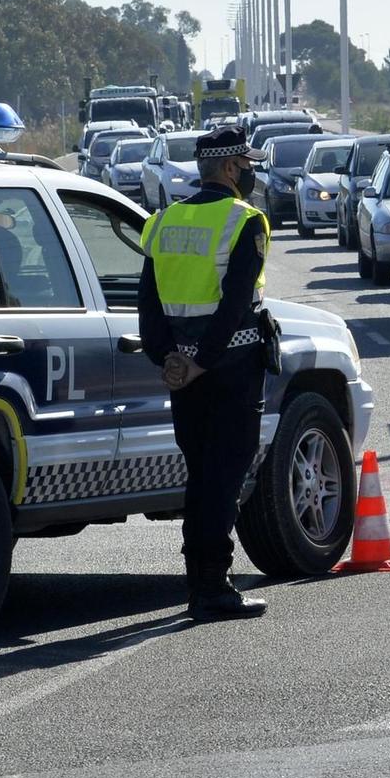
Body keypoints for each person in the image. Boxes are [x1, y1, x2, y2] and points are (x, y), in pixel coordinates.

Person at [137, 126, 274, 619]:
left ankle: (201, 581)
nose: (253, 171)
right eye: (247, 163)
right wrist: (204, 360)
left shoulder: (163, 221)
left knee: (202, 476)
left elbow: (148, 304)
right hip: (231, 368)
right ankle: (212, 586)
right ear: (232, 168)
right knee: (224, 476)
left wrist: (170, 360)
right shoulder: (245, 221)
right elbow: (237, 302)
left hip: (184, 373)